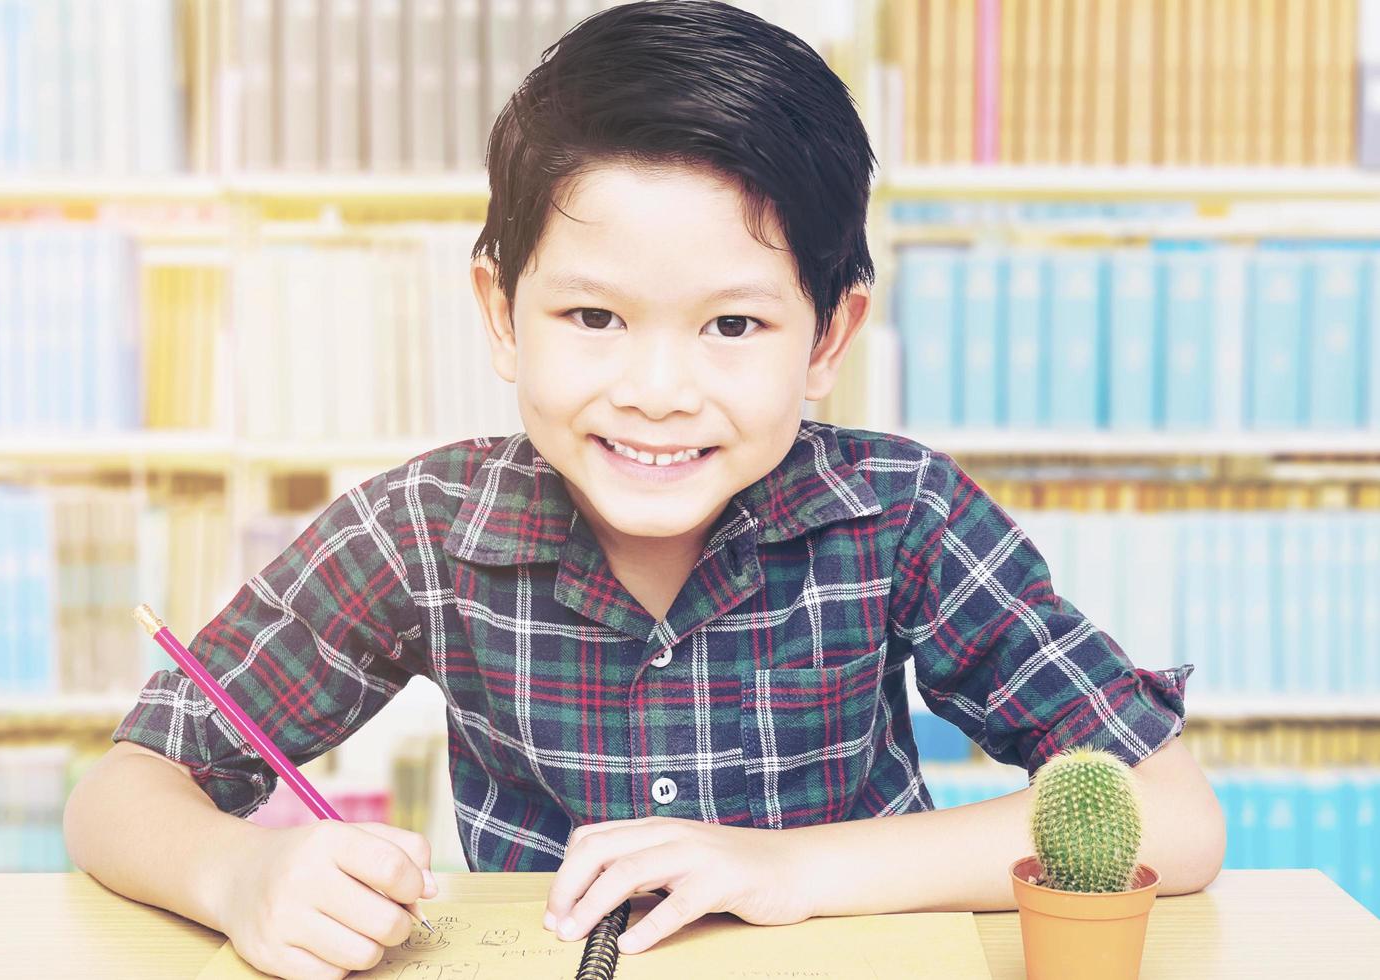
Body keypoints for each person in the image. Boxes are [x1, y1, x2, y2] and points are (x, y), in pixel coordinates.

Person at [63, 3, 1226, 978]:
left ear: (829, 337)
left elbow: (1172, 815)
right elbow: (125, 789)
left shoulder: (903, 512)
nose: (656, 391)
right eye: (593, 316)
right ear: (498, 314)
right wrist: (242, 871)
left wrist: (791, 867)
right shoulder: (422, 528)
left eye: (732, 323)